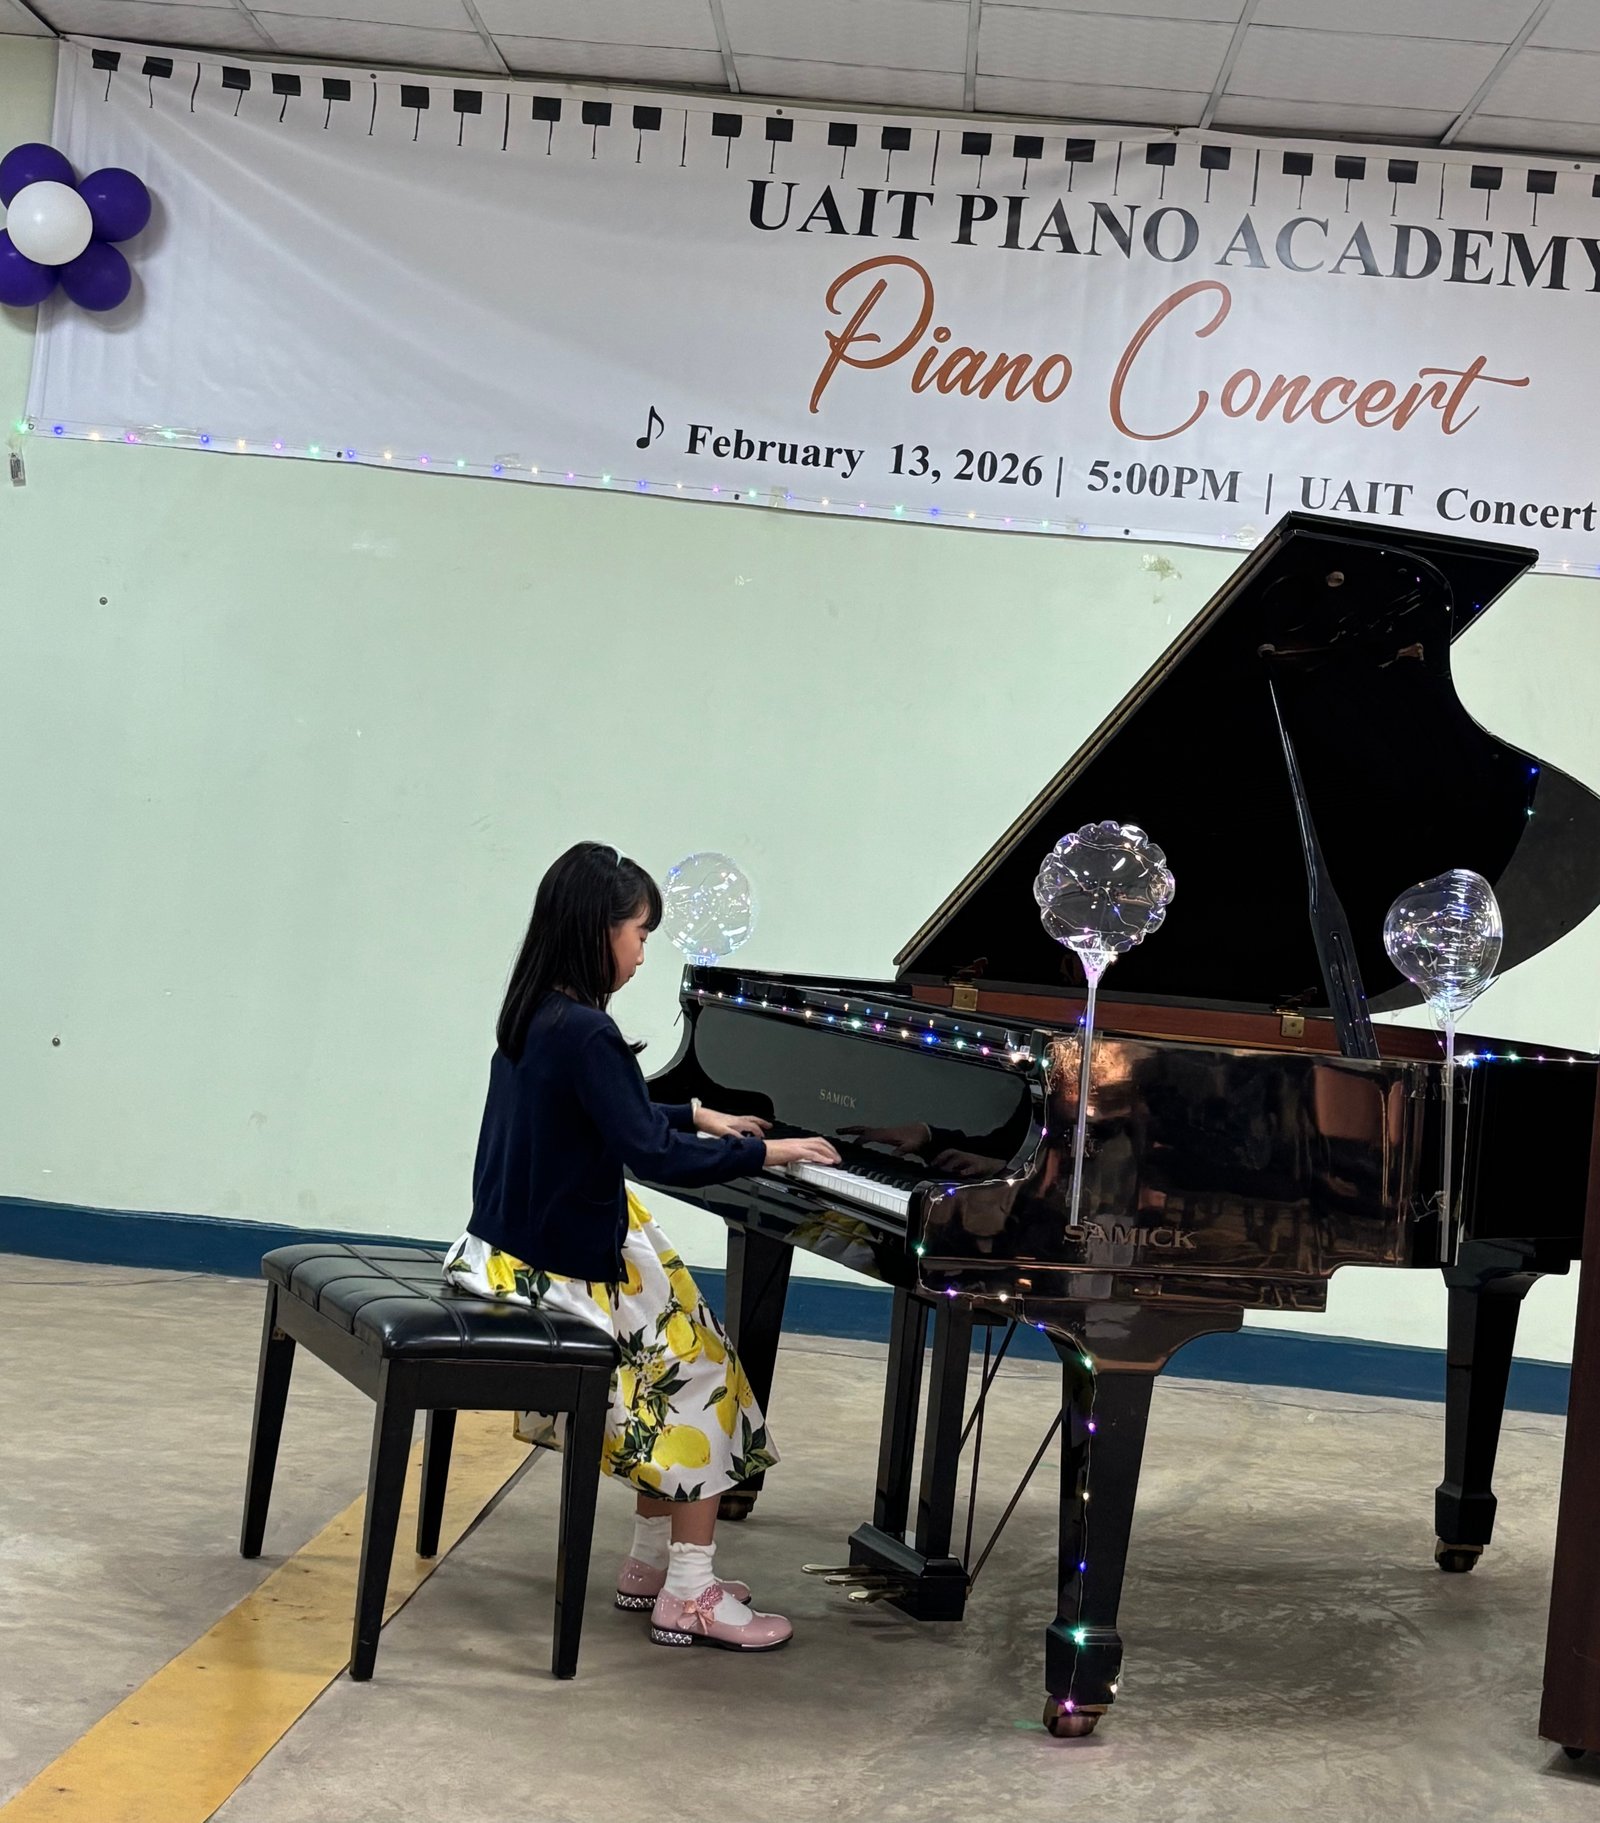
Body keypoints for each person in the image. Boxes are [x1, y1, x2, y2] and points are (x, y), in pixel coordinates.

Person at [442, 841, 840, 1652]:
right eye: (638, 933)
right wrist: (771, 1151)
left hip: (512, 1254)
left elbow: (612, 1113)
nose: (642, 949)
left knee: (681, 1331)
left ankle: (649, 1563)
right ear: (598, 932)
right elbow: (650, 1155)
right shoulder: (587, 1030)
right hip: (569, 1270)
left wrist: (699, 1115)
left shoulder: (536, 1013)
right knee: (707, 1379)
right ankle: (689, 1595)